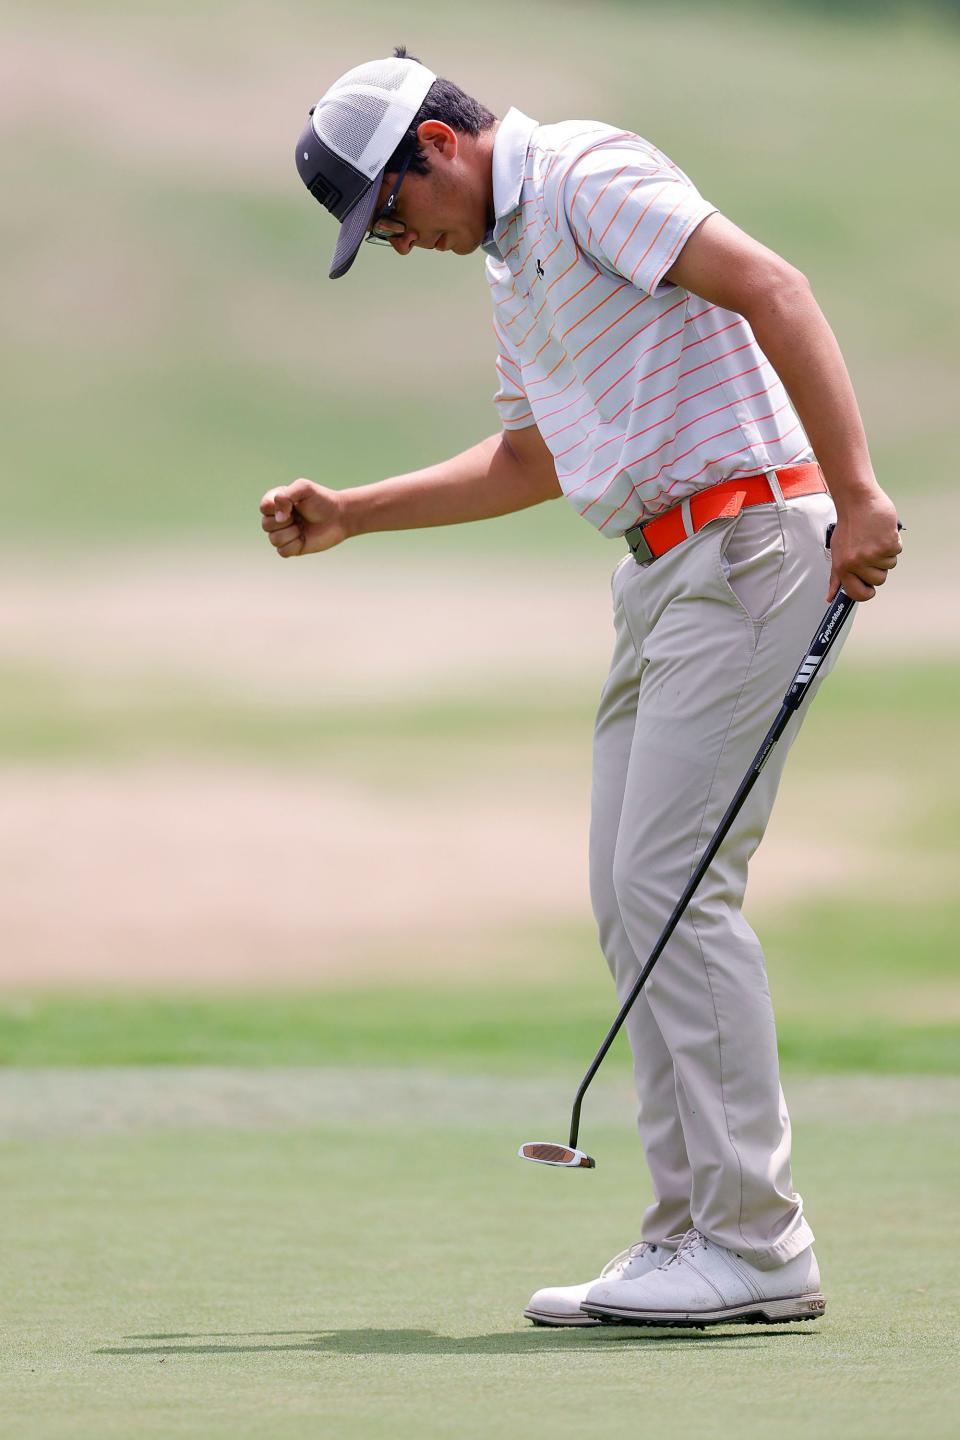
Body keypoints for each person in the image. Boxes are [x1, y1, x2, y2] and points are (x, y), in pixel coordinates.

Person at [261, 48, 901, 1328]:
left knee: (674, 889)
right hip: (662, 572)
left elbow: (773, 286)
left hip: (753, 543)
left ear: (437, 148)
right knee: (631, 897)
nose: (390, 244)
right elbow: (532, 458)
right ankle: (690, 1233)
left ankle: (756, 1243)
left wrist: (863, 492)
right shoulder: (512, 258)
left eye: (384, 214)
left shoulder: (586, 174)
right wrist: (357, 515)